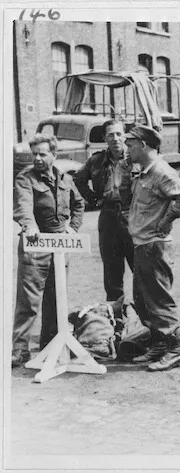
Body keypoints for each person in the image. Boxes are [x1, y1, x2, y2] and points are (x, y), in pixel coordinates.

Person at [124, 125, 180, 372]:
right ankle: (159, 344)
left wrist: (165, 221)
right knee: (143, 300)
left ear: (143, 145)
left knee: (159, 301)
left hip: (154, 246)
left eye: (130, 144)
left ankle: (175, 350)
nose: (127, 149)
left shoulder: (160, 172)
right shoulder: (144, 172)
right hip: (143, 244)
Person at [12, 134, 85, 368]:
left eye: (43, 153)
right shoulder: (25, 178)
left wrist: (72, 228)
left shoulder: (64, 177)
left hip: (59, 247)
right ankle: (20, 350)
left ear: (54, 155)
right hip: (36, 246)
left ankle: (50, 345)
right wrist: (29, 226)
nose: (38, 158)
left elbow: (79, 203)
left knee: (57, 300)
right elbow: (23, 206)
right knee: (29, 303)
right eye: (35, 154)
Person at [73, 119, 134, 302]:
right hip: (108, 218)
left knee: (140, 269)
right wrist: (93, 199)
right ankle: (117, 322)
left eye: (118, 134)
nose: (115, 139)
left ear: (125, 135)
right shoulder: (96, 160)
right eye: (110, 135)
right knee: (112, 273)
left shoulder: (135, 158)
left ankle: (147, 322)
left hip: (132, 216)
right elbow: (77, 179)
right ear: (104, 138)